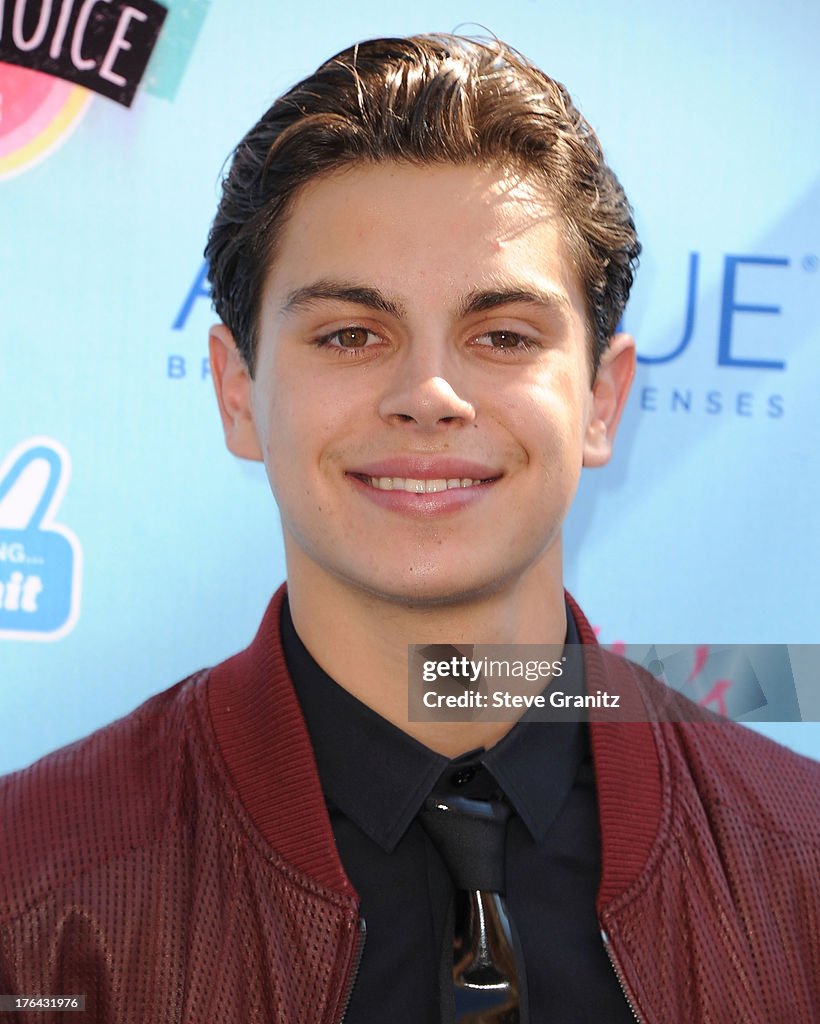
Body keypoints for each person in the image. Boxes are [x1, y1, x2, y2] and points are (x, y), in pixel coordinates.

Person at [1, 33, 817, 1024]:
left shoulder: (796, 863)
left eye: (502, 335)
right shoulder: (32, 896)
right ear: (236, 391)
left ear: (603, 401)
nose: (428, 394)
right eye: (352, 333)